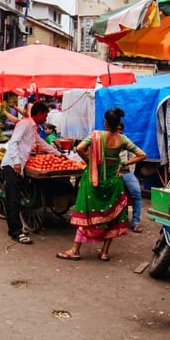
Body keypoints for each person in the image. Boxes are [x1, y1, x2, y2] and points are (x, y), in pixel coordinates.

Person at [57, 108, 146, 261]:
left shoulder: (95, 135)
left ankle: (75, 250)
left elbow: (79, 148)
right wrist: (124, 163)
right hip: (113, 182)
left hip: (94, 181)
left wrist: (90, 161)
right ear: (118, 124)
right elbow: (142, 155)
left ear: (105, 122)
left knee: (87, 214)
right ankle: (104, 252)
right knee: (112, 217)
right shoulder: (122, 139)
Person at [0, 101, 61, 244]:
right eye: (45, 115)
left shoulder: (33, 127)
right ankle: (16, 232)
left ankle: (17, 227)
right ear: (39, 113)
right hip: (12, 165)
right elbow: (13, 142)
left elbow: (41, 143)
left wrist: (58, 154)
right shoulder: (25, 123)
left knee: (17, 198)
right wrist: (16, 161)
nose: (46, 118)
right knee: (13, 199)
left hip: (19, 165)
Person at [118, 122, 144, 233]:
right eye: (117, 129)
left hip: (126, 172)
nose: (119, 131)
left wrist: (126, 166)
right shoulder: (107, 141)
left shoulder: (126, 141)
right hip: (112, 173)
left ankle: (136, 221)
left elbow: (137, 156)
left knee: (137, 193)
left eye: (120, 129)